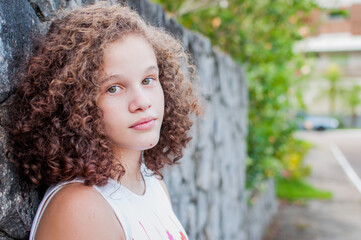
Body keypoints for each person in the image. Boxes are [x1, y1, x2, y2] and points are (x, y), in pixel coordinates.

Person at [7, 2, 200, 239]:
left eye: (149, 80)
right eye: (114, 88)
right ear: (76, 102)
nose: (142, 101)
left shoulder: (153, 185)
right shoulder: (81, 209)